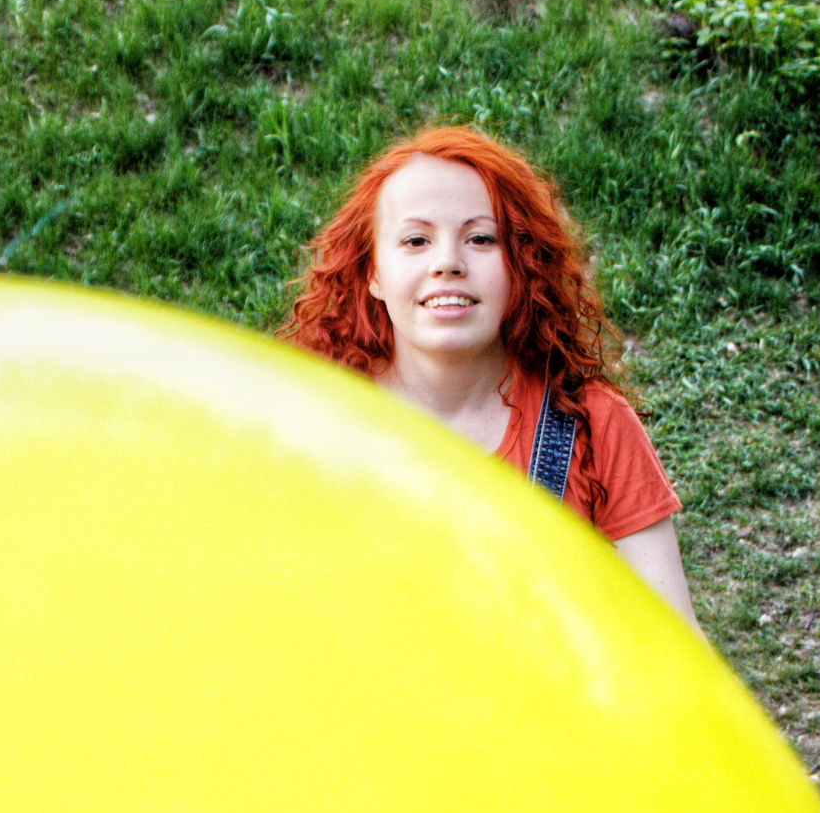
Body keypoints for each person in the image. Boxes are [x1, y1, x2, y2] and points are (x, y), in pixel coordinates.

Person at [281, 125, 701, 633]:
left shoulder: (590, 424)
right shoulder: (311, 423)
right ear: (373, 273)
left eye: (480, 238)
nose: (448, 263)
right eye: (416, 240)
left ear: (519, 264)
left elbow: (675, 640)